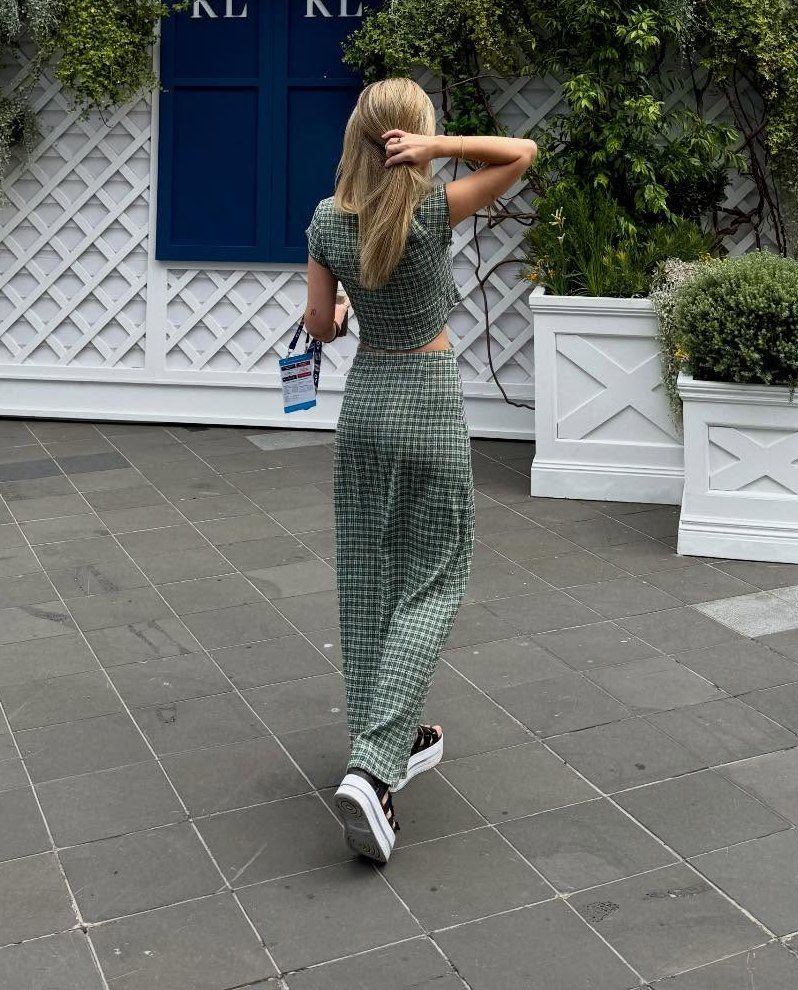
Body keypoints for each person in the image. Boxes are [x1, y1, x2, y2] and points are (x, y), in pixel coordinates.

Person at [303, 77, 537, 863]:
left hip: (367, 403)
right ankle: (373, 769)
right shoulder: (431, 210)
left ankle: (389, 739)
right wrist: (441, 148)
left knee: (368, 576)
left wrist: (340, 313)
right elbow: (523, 154)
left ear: (356, 136)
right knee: (435, 578)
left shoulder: (327, 221)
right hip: (428, 402)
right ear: (412, 136)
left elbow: (319, 323)